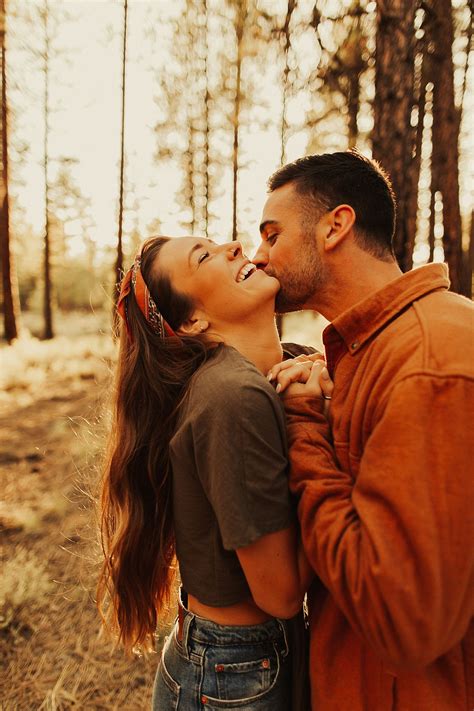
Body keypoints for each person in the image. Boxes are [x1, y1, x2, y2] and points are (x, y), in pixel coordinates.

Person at [254, 149, 474, 711]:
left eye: (272, 235)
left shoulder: (428, 362)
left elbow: (405, 622)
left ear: (335, 226)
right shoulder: (390, 344)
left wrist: (302, 424)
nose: (258, 257)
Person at [97, 235, 331, 710]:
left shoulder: (283, 366)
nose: (235, 246)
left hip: (244, 660)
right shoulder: (231, 397)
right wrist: (314, 427)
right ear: (192, 320)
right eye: (203, 256)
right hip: (236, 674)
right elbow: (282, 594)